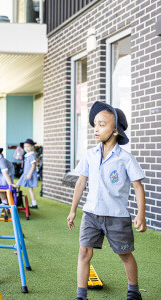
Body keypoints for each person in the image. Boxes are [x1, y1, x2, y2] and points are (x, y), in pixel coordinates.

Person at [67, 101, 146, 300]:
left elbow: (138, 186)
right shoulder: (89, 155)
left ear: (115, 131)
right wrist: (73, 209)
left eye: (102, 124)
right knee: (84, 253)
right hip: (91, 214)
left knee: (125, 254)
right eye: (95, 124)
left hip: (117, 217)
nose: (96, 129)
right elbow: (81, 183)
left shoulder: (125, 158)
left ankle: (134, 291)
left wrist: (141, 214)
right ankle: (81, 295)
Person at [14, 139, 39, 209]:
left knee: (28, 188)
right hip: (25, 174)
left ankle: (33, 203)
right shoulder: (27, 155)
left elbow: (33, 165)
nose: (26, 148)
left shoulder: (31, 155)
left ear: (32, 147)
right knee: (18, 185)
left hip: (28, 174)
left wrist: (30, 174)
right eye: (25, 147)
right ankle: (17, 198)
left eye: (28, 146)